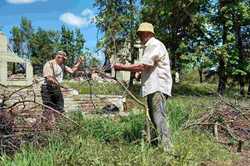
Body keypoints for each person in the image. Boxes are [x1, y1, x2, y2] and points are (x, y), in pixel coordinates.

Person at [113, 22, 173, 150]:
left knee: (159, 117)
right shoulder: (149, 47)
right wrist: (140, 74)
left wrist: (121, 67)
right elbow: (149, 66)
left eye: (141, 34)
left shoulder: (154, 44)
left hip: (158, 86)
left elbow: (143, 65)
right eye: (139, 34)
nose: (140, 36)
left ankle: (167, 149)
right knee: (153, 117)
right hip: (154, 86)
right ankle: (157, 144)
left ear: (148, 33)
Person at [41, 51, 83, 125]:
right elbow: (49, 78)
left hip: (56, 89)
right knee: (48, 109)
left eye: (64, 59)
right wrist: (62, 86)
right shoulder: (49, 64)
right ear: (58, 57)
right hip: (47, 89)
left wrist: (79, 63)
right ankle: (45, 127)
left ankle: (60, 125)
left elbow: (72, 71)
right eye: (63, 59)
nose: (64, 61)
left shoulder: (62, 66)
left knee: (60, 108)